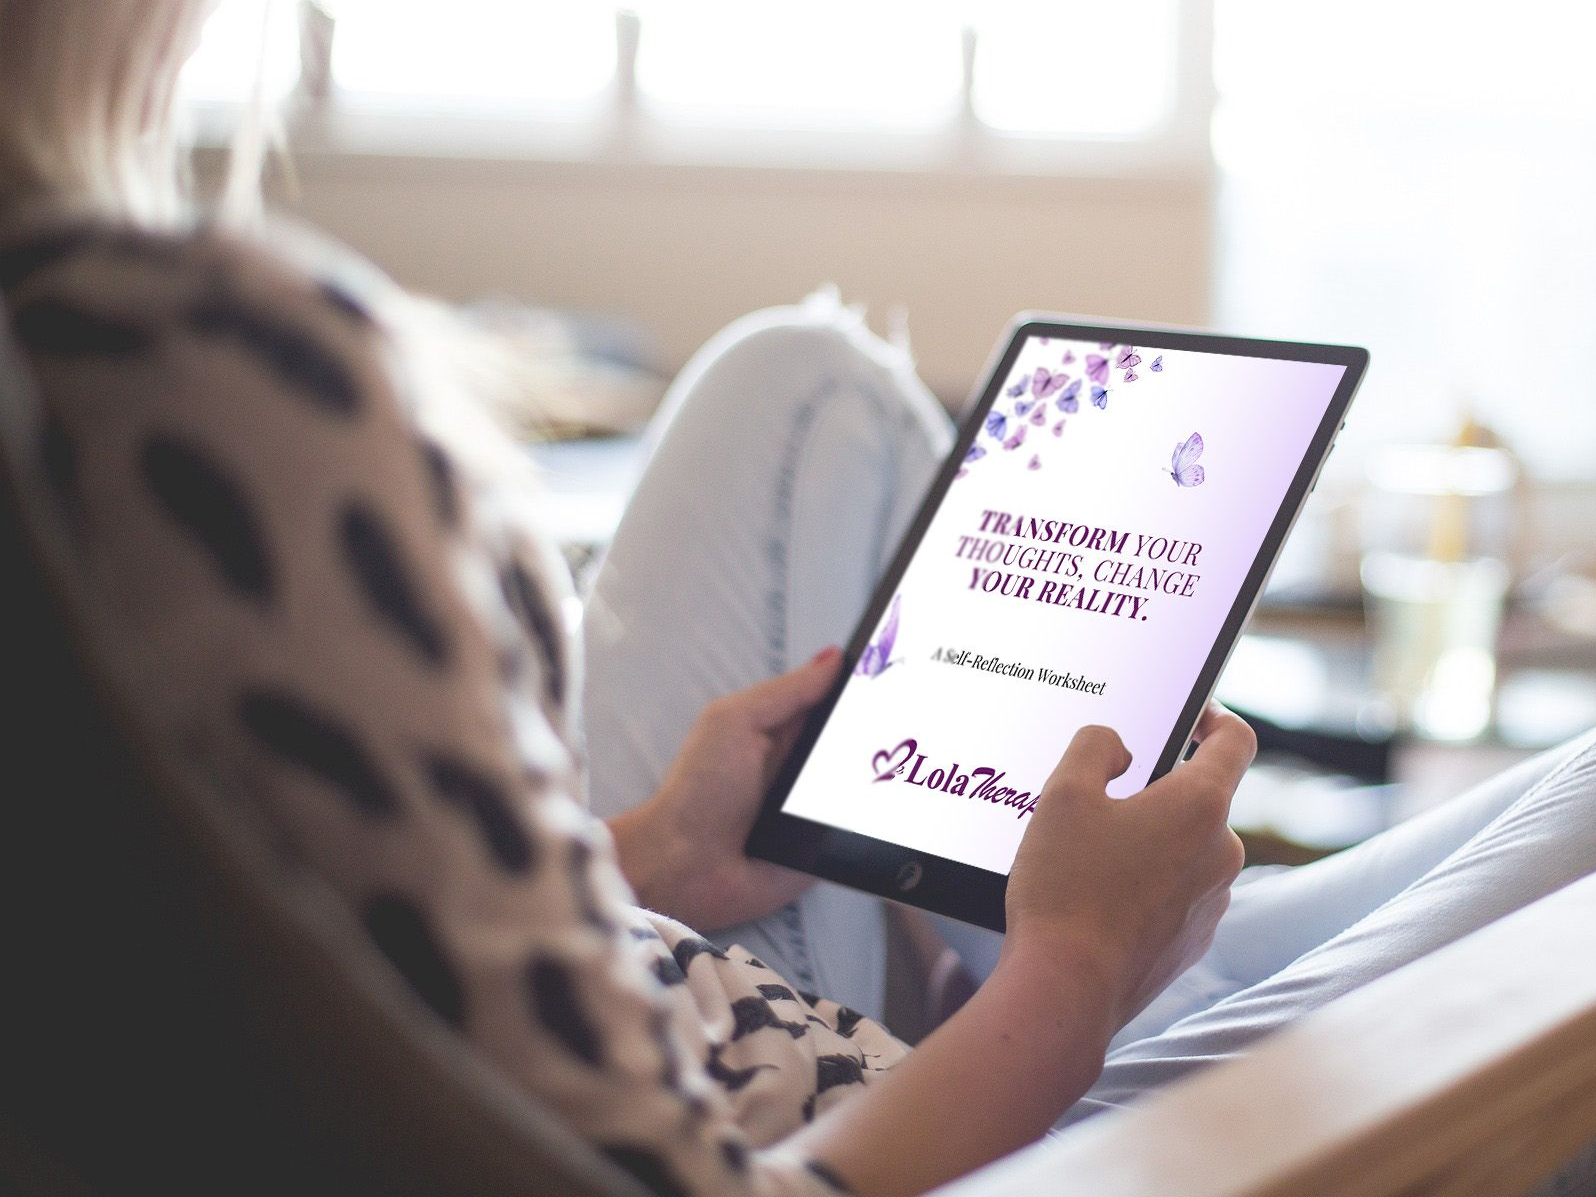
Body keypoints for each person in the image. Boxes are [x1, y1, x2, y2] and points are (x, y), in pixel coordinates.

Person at [0, 3, 1590, 1195]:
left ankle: (1091, 932)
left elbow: (340, 933)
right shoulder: (180, 382)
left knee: (803, 381)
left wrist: (646, 861)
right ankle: (1118, 948)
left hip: (703, 967)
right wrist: (1067, 981)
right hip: (948, 1127)